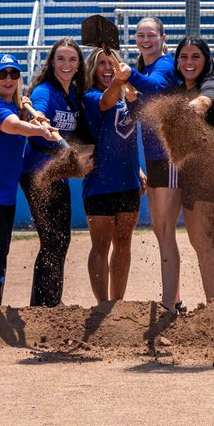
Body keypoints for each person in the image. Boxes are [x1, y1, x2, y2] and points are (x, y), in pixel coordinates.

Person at [0, 54, 59, 306]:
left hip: (4, 187)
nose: (8, 79)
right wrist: (39, 129)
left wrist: (32, 114)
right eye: (2, 74)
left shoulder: (13, 105)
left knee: (2, 244)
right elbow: (14, 126)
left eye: (13, 74)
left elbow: (19, 119)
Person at [19, 38, 89, 307]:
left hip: (57, 172)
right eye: (61, 59)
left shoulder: (73, 93)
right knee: (51, 239)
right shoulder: (45, 92)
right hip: (37, 173)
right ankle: (42, 305)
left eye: (72, 59)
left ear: (79, 64)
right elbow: (37, 111)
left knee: (62, 238)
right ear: (51, 62)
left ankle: (50, 301)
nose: (67, 64)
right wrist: (38, 118)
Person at [125, 16, 186, 313]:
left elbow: (159, 88)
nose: (145, 40)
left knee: (164, 228)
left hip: (168, 155)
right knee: (161, 231)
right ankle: (174, 299)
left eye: (151, 35)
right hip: (154, 155)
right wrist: (131, 95)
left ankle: (169, 303)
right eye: (140, 35)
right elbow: (141, 109)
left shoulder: (163, 65)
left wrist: (129, 77)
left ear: (163, 38)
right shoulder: (143, 69)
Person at [172, 36, 214, 307]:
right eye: (183, 57)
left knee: (203, 243)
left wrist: (194, 107)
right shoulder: (178, 88)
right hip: (193, 178)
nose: (189, 62)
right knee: (204, 244)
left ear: (206, 60)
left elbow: (206, 100)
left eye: (195, 56)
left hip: (212, 180)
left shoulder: (211, 84)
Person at [82, 47, 145, 304]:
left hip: (128, 182)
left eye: (112, 62)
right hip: (100, 183)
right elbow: (106, 103)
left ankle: (118, 303)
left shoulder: (129, 97)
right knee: (101, 245)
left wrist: (138, 168)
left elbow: (128, 137)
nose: (108, 68)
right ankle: (102, 305)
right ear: (93, 69)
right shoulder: (90, 96)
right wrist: (122, 79)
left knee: (123, 242)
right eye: (102, 64)